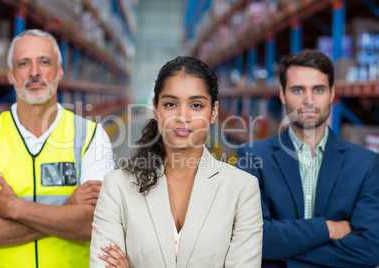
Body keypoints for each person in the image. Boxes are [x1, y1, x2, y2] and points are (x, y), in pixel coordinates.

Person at [90, 56, 263, 268]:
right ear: (155, 108)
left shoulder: (242, 189)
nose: (182, 116)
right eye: (170, 104)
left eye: (196, 105)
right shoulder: (117, 187)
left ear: (213, 112)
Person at [0, 29, 114, 268]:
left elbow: (93, 223)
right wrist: (67, 211)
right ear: (10, 74)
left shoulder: (91, 137)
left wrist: (14, 208)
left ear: (59, 71)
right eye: (23, 63)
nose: (34, 72)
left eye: (44, 62)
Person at [236, 50, 379, 268]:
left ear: (332, 93)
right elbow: (253, 238)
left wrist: (287, 257)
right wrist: (329, 228)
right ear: (282, 94)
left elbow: (370, 248)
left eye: (318, 89)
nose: (309, 100)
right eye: (298, 90)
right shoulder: (253, 157)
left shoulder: (366, 164)